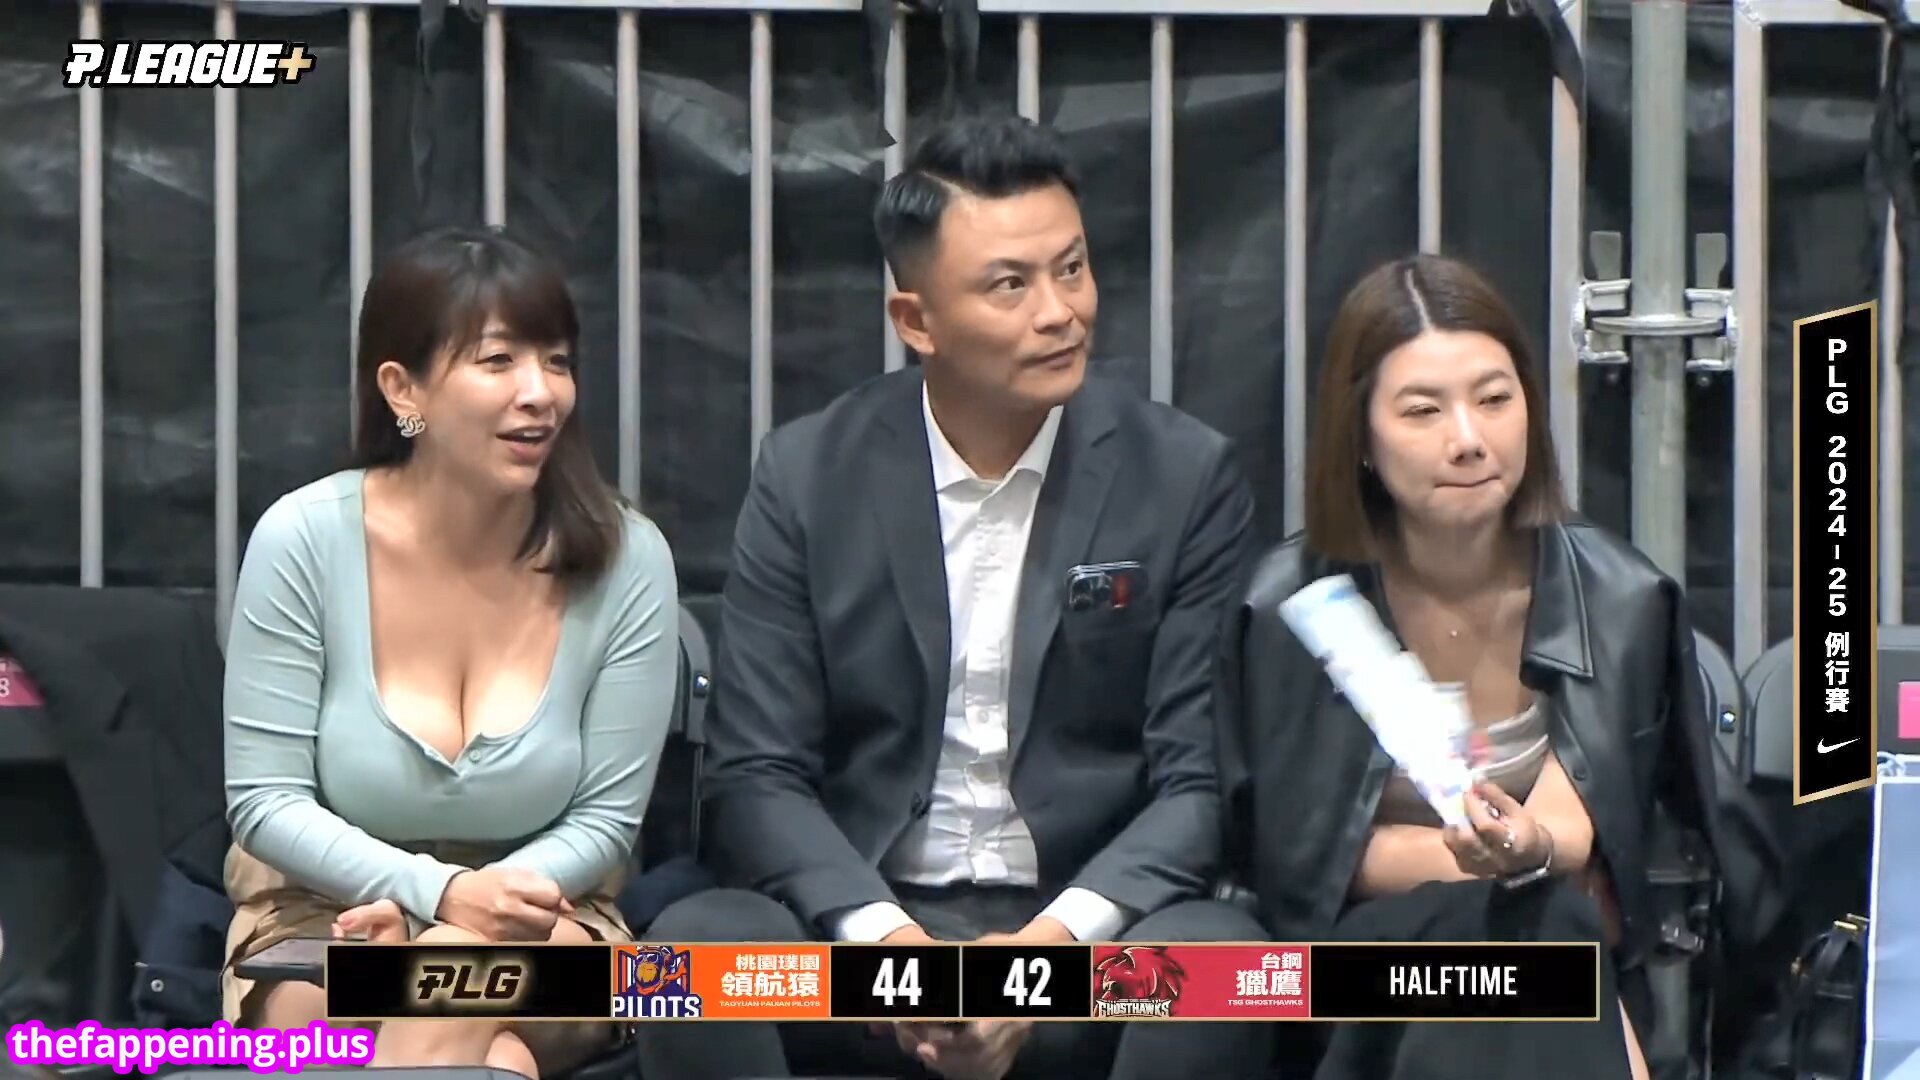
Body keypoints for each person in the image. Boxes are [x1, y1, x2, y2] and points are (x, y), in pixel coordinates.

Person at [636, 114, 1274, 1079]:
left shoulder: (1183, 476)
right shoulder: (809, 474)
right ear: (916, 321)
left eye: (1072, 269)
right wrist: (891, 948)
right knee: (685, 961)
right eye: (1010, 285)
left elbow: (1196, 787)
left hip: (1082, 939)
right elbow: (756, 774)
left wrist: (1042, 958)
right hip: (862, 929)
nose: (1060, 313)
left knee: (1225, 968)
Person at [1214, 253, 1783, 1080]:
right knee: (1533, 927)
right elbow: (1300, 859)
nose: (1469, 440)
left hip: (1546, 951)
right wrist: (1499, 864)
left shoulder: (1618, 597)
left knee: (1540, 936)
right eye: (1423, 411)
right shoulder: (1288, 607)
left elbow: (1577, 822)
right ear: (1360, 437)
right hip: (1351, 971)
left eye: (1494, 399)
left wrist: (1528, 847)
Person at [219, 226, 680, 1078]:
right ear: (404, 388)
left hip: (552, 917)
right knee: (491, 1055)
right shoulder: (304, 540)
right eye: (499, 361)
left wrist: (466, 915)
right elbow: (265, 802)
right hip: (326, 915)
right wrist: (431, 893)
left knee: (456, 975)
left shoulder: (628, 557)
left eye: (558, 362)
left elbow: (607, 821)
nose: (541, 393)